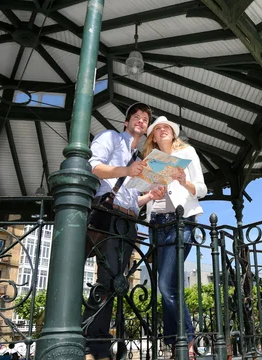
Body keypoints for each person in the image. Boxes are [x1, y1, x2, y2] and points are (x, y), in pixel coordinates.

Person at [84, 102, 164, 360]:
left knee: (118, 282)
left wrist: (149, 195)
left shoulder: (142, 160)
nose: (141, 121)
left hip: (128, 220)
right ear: (127, 122)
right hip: (107, 215)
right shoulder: (110, 137)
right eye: (136, 117)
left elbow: (132, 199)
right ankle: (92, 341)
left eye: (145, 119)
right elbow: (93, 167)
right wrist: (126, 170)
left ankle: (99, 341)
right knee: (106, 281)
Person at [142, 116, 207, 358]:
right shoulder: (149, 160)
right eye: (157, 129)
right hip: (156, 225)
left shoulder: (188, 152)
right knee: (168, 286)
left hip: (180, 222)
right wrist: (150, 190)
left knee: (166, 285)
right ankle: (177, 342)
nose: (161, 131)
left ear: (173, 132)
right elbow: (141, 189)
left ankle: (186, 342)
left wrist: (184, 181)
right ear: (153, 138)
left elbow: (201, 188)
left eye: (165, 127)